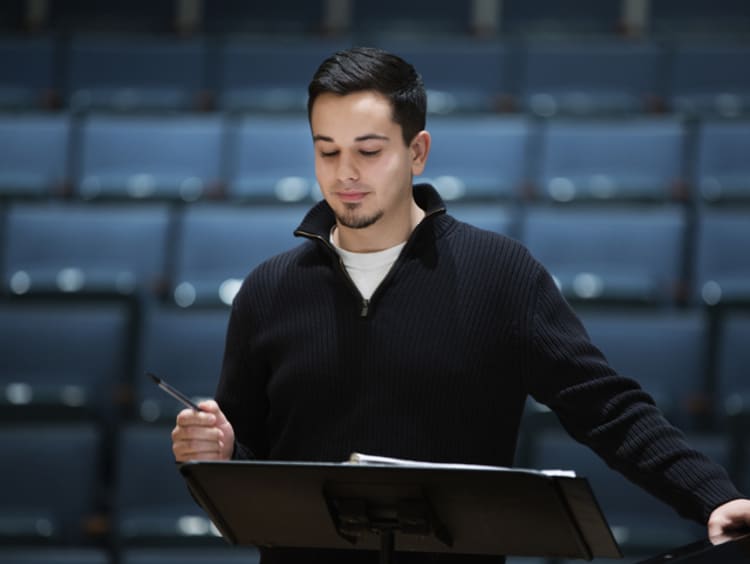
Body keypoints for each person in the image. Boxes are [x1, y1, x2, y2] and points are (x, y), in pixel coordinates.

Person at [172, 47, 750, 563]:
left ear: (417, 151)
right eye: (328, 152)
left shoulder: (501, 275)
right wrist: (216, 451)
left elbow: (608, 410)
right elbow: (246, 459)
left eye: (369, 152)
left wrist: (714, 495)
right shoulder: (268, 289)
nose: (345, 173)